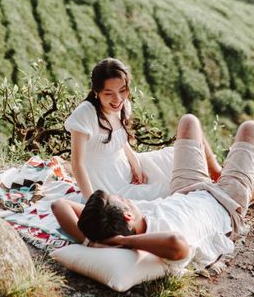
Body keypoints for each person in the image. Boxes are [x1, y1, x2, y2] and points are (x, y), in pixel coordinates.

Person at [52, 113, 254, 273]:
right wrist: (121, 242)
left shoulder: (132, 217)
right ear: (127, 215)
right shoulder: (162, 240)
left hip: (187, 189)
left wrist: (93, 242)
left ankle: (218, 174)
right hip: (226, 204)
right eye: (124, 200)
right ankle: (243, 190)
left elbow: (60, 205)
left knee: (189, 122)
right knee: (251, 128)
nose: (128, 199)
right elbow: (177, 243)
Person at [64, 57, 221, 202]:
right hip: (110, 184)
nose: (118, 99)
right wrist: (93, 201)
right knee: (171, 188)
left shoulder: (122, 106)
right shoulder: (86, 114)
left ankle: (216, 173)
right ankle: (213, 188)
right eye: (109, 93)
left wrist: (134, 162)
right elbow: (77, 164)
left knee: (179, 158)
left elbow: (118, 139)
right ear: (96, 93)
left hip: (126, 165)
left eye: (122, 90)